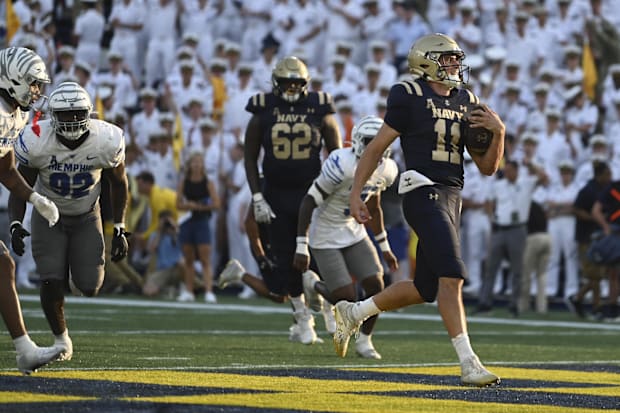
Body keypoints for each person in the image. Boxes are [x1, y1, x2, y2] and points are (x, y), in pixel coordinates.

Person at [338, 34, 504, 386]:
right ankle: (468, 362)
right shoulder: (409, 94)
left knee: (426, 287)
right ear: (427, 62)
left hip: (451, 196)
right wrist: (357, 193)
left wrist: (499, 132)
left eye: (457, 60)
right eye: (449, 60)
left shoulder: (467, 100)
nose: (456, 66)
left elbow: (488, 167)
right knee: (452, 275)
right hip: (421, 189)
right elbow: (376, 148)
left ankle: (354, 311)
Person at [8, 81, 130, 364]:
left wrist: (121, 227)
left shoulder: (106, 139)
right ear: (53, 115)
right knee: (50, 278)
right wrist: (15, 222)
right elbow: (19, 183)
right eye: (65, 114)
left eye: (78, 113)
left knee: (90, 286)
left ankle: (73, 268)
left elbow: (120, 184)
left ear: (89, 113)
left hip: (88, 213)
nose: (73, 119)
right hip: (49, 214)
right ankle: (61, 338)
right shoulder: (37, 138)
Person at [243, 56, 342, 344]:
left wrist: (333, 191)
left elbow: (336, 156)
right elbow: (250, 156)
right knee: (285, 258)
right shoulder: (263, 108)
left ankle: (325, 310)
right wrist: (257, 195)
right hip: (274, 192)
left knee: (317, 255)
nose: (291, 88)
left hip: (311, 192)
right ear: (276, 82)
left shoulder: (319, 107)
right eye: (286, 83)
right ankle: (302, 319)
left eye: (296, 83)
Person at [293, 116, 398, 359]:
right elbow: (309, 201)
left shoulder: (387, 169)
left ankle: (365, 341)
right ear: (360, 142)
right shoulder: (342, 163)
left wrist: (384, 246)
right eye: (371, 142)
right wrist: (301, 245)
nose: (376, 148)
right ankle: (314, 285)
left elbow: (374, 207)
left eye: (380, 143)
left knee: (376, 285)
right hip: (326, 233)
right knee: (347, 297)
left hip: (353, 231)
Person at [0, 46, 63, 374]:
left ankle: (25, 350)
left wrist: (35, 199)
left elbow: (7, 171)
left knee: (3, 267)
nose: (37, 91)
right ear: (13, 79)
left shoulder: (15, 113)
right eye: (33, 84)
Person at [176, 150, 220, 303]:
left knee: (205, 259)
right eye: (194, 162)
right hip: (187, 222)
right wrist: (187, 205)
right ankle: (189, 290)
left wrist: (198, 206)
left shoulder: (208, 182)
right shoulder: (184, 182)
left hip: (202, 221)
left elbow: (216, 203)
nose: (196, 165)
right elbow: (178, 204)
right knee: (188, 259)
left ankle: (209, 290)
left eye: (199, 162)